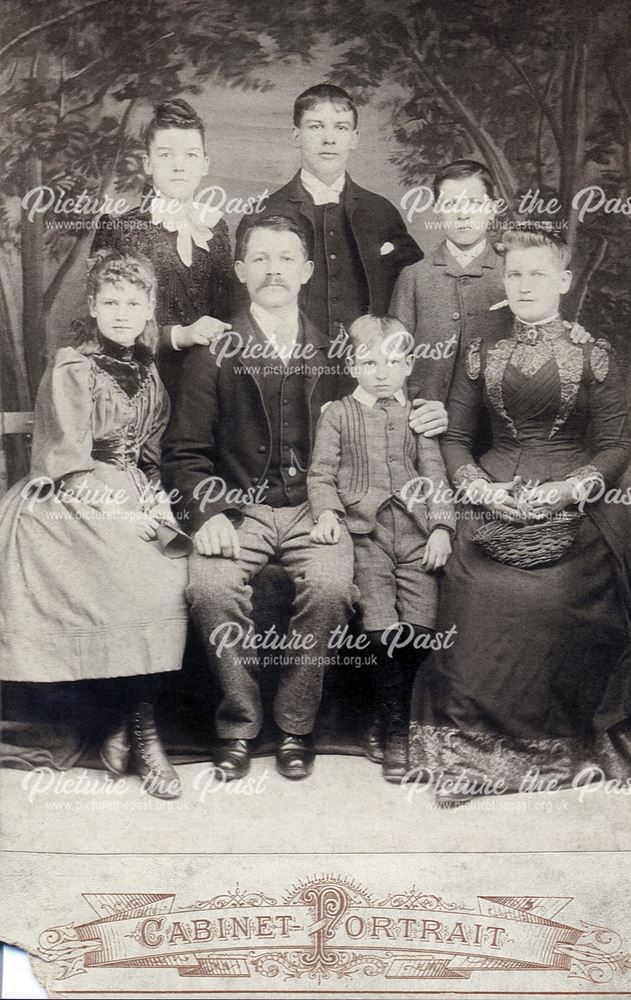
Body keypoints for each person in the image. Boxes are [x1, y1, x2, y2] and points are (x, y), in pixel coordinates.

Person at [409, 226, 631, 807]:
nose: (524, 284)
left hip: (571, 498)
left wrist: (569, 489)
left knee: (556, 591)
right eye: (514, 273)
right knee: (474, 586)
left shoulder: (593, 354)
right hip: (491, 493)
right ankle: (468, 756)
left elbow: (616, 445)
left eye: (538, 273)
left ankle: (560, 747)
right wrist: (480, 490)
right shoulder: (482, 351)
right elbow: (459, 435)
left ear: (563, 281)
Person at [162, 216, 358, 782]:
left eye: (287, 258)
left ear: (307, 271)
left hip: (312, 506)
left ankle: (296, 726)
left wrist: (333, 509)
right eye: (262, 259)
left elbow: (362, 433)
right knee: (210, 586)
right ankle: (239, 725)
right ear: (242, 271)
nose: (275, 270)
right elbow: (185, 451)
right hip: (238, 508)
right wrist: (209, 513)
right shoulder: (215, 351)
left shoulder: (336, 350)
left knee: (329, 586)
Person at [0, 250, 190, 799]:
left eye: (134, 302)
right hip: (71, 494)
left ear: (150, 305)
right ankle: (143, 732)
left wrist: (153, 500)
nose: (123, 313)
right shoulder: (72, 365)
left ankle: (125, 722)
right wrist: (121, 509)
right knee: (132, 572)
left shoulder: (150, 368)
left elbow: (150, 454)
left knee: (172, 574)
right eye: (111, 302)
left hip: (132, 488)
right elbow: (66, 457)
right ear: (93, 306)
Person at [308, 316, 455, 782]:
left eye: (393, 361)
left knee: (420, 623)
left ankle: (395, 716)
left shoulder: (418, 415)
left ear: (410, 364)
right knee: (380, 626)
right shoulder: (337, 413)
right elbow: (321, 475)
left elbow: (435, 477)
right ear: (352, 365)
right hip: (365, 535)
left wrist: (441, 529)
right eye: (369, 362)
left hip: (414, 533)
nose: (382, 371)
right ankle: (392, 729)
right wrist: (329, 513)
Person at [390, 159, 593, 419]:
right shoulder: (414, 277)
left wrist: (572, 332)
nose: (462, 215)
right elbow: (392, 355)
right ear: (437, 210)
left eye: (474, 203)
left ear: (493, 208)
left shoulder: (514, 272)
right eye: (451, 204)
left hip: (499, 424)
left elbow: (545, 330)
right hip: (424, 418)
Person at [234, 84, 423, 348]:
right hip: (289, 366)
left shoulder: (381, 211)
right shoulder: (263, 214)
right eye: (315, 126)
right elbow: (242, 306)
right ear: (296, 136)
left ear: (354, 138)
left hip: (368, 368)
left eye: (341, 127)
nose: (329, 139)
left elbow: (413, 296)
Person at [92, 99, 233, 401]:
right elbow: (102, 327)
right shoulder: (121, 229)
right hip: (140, 388)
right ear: (148, 163)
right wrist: (178, 336)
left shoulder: (216, 229)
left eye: (191, 155)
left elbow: (227, 312)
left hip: (209, 389)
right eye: (166, 154)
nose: (179, 165)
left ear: (205, 164)